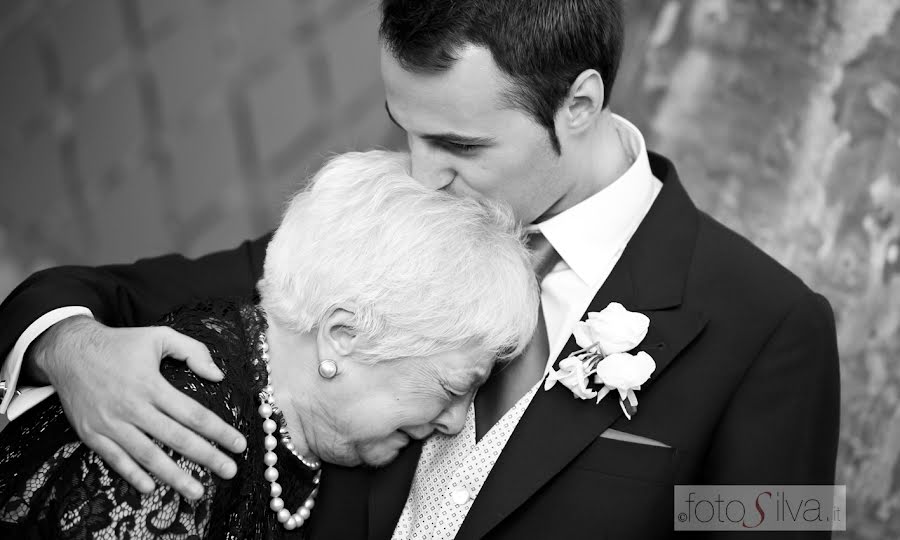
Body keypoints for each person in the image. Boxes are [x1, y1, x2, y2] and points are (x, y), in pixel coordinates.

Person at [0, 0, 840, 538]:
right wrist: (70, 351)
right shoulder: (378, 224)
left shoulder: (771, 329)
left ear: (578, 105)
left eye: (458, 145)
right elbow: (87, 295)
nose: (422, 172)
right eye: (405, 129)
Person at [0, 150, 539, 538]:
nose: (453, 422)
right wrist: (66, 343)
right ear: (342, 336)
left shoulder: (297, 423)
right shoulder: (177, 446)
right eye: (452, 387)